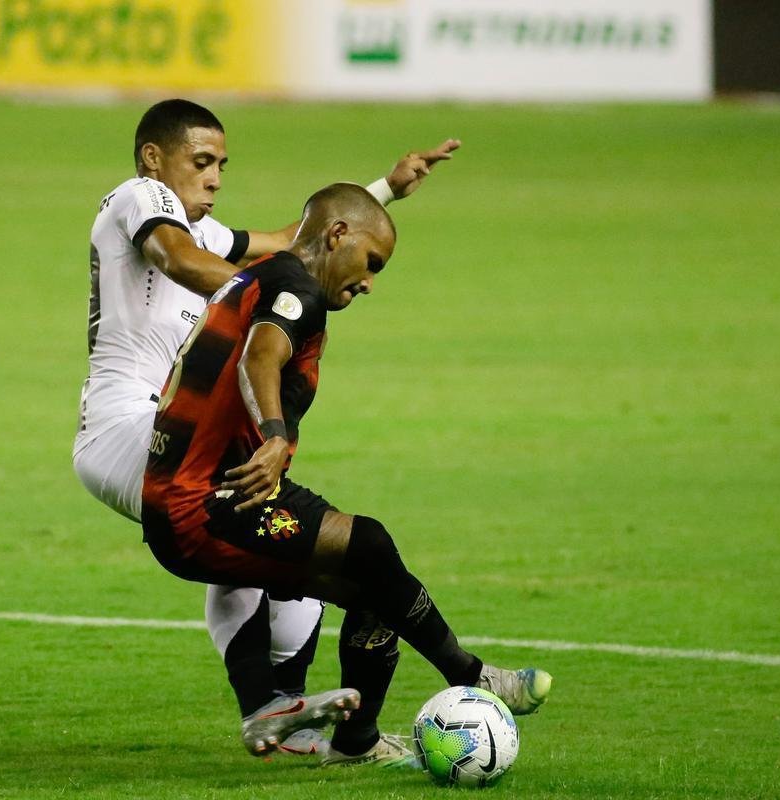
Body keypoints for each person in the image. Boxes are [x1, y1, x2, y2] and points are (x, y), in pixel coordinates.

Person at [72, 99, 461, 756]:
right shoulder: (141, 198)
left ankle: (286, 719)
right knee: (240, 510)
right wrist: (272, 303)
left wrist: (384, 190)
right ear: (153, 158)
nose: (215, 176)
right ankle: (269, 703)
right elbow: (179, 261)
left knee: (272, 554)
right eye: (202, 161)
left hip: (157, 425)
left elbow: (295, 241)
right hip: (126, 423)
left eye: (222, 164)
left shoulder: (202, 230)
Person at [141, 183, 552, 767]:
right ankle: (471, 673)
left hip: (193, 497)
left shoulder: (263, 278)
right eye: (372, 262)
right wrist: (275, 435)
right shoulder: (298, 289)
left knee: (375, 592)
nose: (369, 283)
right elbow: (261, 357)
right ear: (337, 235)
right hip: (206, 503)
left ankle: (355, 741)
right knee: (370, 544)